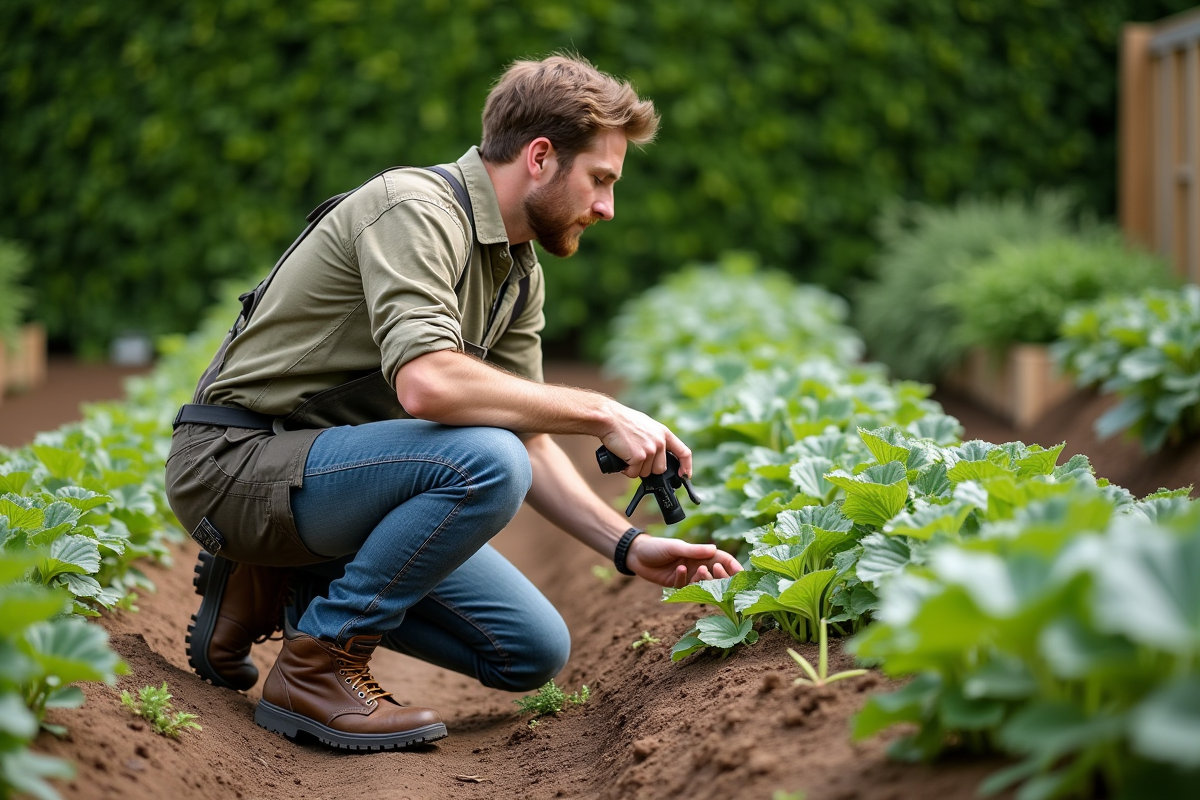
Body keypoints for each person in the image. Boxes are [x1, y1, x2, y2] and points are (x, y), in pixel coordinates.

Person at [164, 53, 741, 752]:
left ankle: (278, 576)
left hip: (326, 480)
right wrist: (603, 410)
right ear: (539, 156)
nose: (607, 208)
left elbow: (528, 436)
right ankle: (319, 662)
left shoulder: (516, 272)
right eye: (601, 179)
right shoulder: (415, 209)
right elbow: (428, 383)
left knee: (530, 651)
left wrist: (628, 545)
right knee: (484, 462)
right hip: (234, 464)